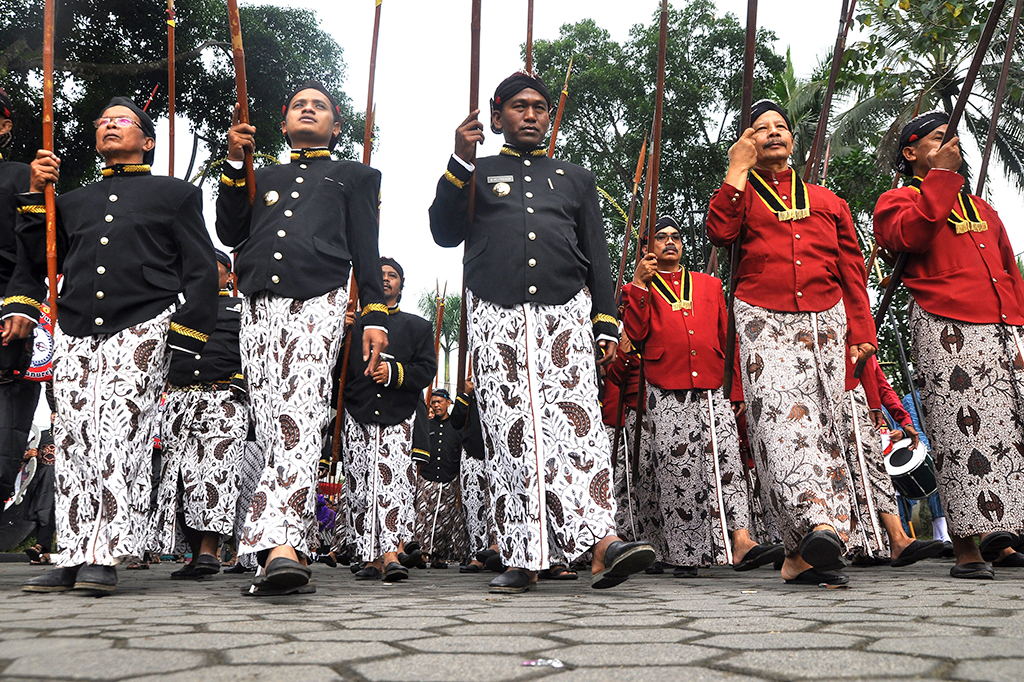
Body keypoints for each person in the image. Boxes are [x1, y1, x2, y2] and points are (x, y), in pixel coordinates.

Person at [429, 71, 654, 593]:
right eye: (519, 106)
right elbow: (443, 232)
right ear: (497, 114)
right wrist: (460, 161)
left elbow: (597, 255)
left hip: (565, 310)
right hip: (496, 311)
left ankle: (602, 542)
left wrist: (605, 321)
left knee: (577, 428)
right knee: (512, 430)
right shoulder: (476, 170)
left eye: (539, 107)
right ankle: (522, 554)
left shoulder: (575, 178)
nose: (530, 114)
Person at [18, 96, 217, 594]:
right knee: (73, 438)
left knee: (120, 435)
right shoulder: (71, 200)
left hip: (144, 323)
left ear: (147, 140)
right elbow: (38, 258)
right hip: (75, 327)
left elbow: (200, 270)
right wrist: (35, 194)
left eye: (122, 120)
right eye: (103, 121)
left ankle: (105, 552)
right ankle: (72, 552)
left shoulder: (176, 194)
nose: (109, 125)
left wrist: (187, 333)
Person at [218, 81, 389, 596]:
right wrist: (235, 164)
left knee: (301, 415)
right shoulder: (260, 174)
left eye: (319, 106)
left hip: (317, 298)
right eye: (298, 105)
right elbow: (229, 231)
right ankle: (276, 548)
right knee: (272, 422)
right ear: (284, 123)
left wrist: (375, 312)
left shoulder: (356, 175)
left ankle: (281, 546)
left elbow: (367, 246)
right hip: (258, 303)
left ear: (336, 126)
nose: (308, 110)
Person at [706, 99, 877, 586]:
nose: (773, 133)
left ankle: (801, 554)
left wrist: (862, 331)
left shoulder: (829, 201)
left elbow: (852, 271)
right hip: (762, 318)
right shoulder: (741, 192)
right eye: (761, 129)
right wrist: (736, 171)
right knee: (781, 424)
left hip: (827, 321)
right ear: (748, 142)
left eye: (780, 126)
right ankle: (817, 526)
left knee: (824, 426)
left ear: (793, 141)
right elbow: (719, 232)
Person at [874, 111, 1024, 579]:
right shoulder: (897, 200)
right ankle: (966, 548)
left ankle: (1005, 537)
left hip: (1003, 325)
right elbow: (913, 236)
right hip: (946, 325)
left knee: (1011, 433)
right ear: (911, 152)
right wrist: (939, 178)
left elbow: (1008, 268)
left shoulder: (982, 208)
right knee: (960, 436)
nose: (951, 145)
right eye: (938, 138)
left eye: (954, 138)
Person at [623, 216, 784, 576]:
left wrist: (736, 388)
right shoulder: (638, 288)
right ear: (647, 248)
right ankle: (685, 554)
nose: (670, 242)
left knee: (727, 462)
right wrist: (638, 285)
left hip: (713, 384)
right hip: (665, 386)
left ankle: (741, 541)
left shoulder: (709, 284)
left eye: (676, 237)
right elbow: (635, 332)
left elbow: (729, 338)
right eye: (661, 237)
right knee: (678, 470)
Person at [149, 250, 247, 580]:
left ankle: (208, 551)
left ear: (229, 277)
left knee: (217, 475)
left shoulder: (241, 309)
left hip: (223, 399)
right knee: (180, 478)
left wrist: (241, 382)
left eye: (213, 268)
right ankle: (194, 555)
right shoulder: (176, 309)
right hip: (179, 400)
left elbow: (254, 352)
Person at [343, 257, 434, 582]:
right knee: (360, 484)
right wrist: (341, 331)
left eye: (392, 275)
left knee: (392, 483)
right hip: (358, 413)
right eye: (379, 274)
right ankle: (369, 557)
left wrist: (395, 373)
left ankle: (392, 553)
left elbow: (426, 370)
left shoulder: (418, 327)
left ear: (401, 284)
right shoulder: (352, 325)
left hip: (398, 415)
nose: (385, 279)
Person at [841, 357, 945, 566]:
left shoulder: (864, 352)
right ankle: (855, 547)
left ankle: (895, 542)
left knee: (874, 470)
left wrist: (904, 422)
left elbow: (880, 382)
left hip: (861, 411)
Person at [0, 86, 42, 518]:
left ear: (4, 126)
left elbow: (34, 249)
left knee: (4, 433)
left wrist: (21, 304)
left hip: (4, 308)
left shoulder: (21, 177)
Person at [415, 389, 469, 568]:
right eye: (433, 402)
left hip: (449, 477)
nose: (436, 405)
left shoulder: (457, 427)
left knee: (445, 517)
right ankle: (421, 553)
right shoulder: (426, 425)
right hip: (427, 476)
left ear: (448, 403)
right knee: (423, 515)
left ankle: (440, 555)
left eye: (439, 402)